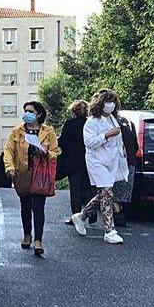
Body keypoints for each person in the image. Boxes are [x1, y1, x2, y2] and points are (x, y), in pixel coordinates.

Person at [71, 89, 130, 244]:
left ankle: (81, 216)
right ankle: (109, 230)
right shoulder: (91, 122)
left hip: (111, 161)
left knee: (105, 194)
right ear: (100, 103)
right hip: (97, 162)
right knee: (106, 192)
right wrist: (107, 135)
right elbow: (89, 143)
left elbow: (117, 139)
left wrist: (122, 148)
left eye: (112, 102)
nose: (110, 105)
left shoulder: (113, 119)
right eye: (107, 101)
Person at [3, 101, 60, 257]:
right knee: (26, 205)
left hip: (40, 174)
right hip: (23, 173)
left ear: (39, 114)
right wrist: (10, 167)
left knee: (39, 207)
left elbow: (55, 152)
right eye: (25, 111)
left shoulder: (48, 131)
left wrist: (46, 152)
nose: (26, 114)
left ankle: (38, 241)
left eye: (30, 111)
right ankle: (27, 234)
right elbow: (8, 150)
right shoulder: (17, 131)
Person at [58, 100, 93, 225]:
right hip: (88, 161)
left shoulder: (70, 124)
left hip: (72, 162)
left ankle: (75, 216)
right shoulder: (90, 124)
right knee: (87, 188)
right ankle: (91, 211)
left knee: (75, 191)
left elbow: (62, 142)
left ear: (74, 112)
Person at [112, 101, 140, 228]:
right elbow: (135, 147)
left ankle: (118, 216)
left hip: (117, 165)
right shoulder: (127, 129)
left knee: (112, 192)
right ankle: (120, 215)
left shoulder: (114, 131)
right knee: (121, 193)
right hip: (130, 163)